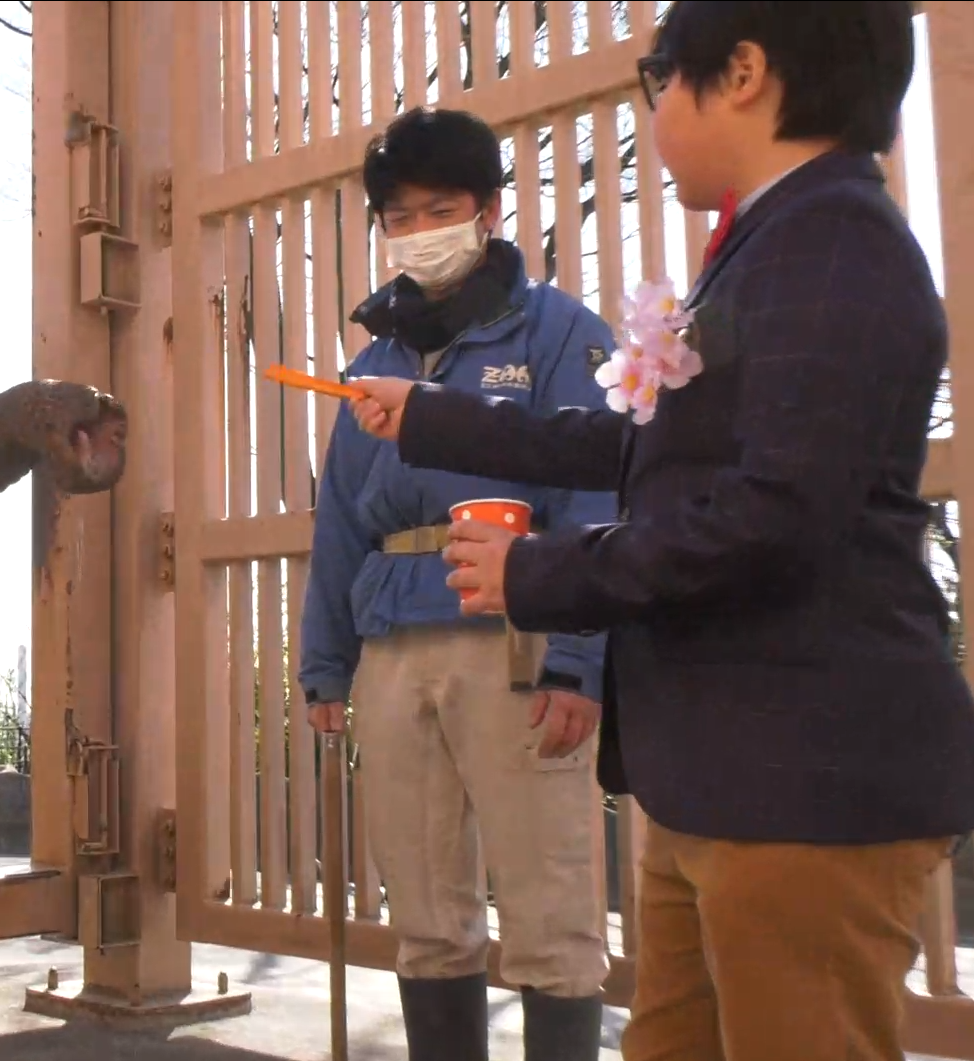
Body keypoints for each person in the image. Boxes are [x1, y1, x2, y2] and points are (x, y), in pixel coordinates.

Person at [343, 5, 974, 1058]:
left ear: (742, 73)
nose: (653, 112)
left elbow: (770, 519)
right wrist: (429, 415)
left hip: (799, 774)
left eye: (657, 83)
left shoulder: (833, 252)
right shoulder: (771, 244)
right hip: (723, 775)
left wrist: (537, 573)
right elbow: (646, 444)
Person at [299, 106, 616, 1061]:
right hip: (393, 651)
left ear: (487, 211)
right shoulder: (369, 365)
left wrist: (577, 660)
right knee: (427, 910)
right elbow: (342, 521)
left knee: (551, 909)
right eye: (399, 216)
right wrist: (326, 666)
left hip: (518, 638)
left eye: (441, 207)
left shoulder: (562, 331)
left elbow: (596, 490)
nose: (419, 230)